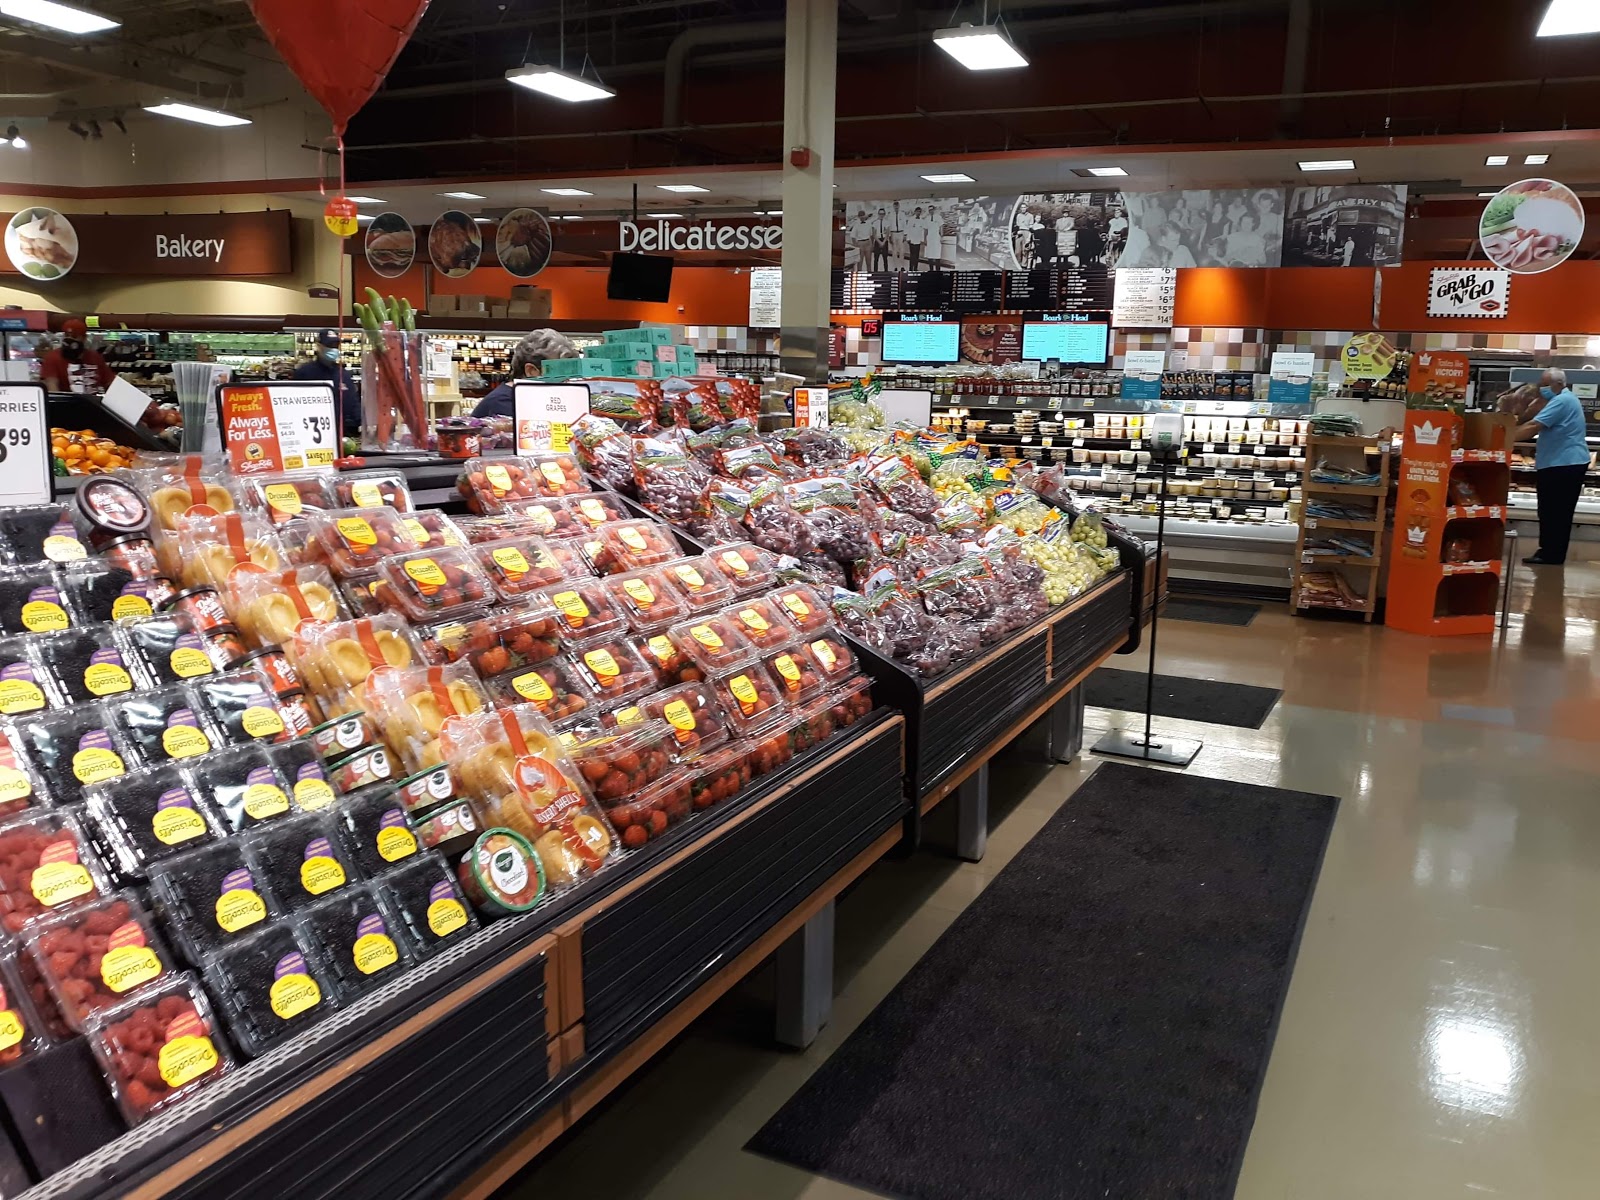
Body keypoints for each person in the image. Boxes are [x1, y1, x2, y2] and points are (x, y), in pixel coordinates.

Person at [1511, 368, 1592, 565]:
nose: (1542, 388)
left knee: (1554, 512)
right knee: (1553, 511)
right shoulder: (1561, 399)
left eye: (1545, 385)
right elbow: (1530, 418)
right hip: (1561, 463)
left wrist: (1502, 440)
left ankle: (1551, 554)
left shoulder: (1562, 401)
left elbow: (1533, 427)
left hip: (1564, 464)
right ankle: (1549, 551)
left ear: (1558, 384)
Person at [469, 330, 581, 420]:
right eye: (559, 372)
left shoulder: (535, 398)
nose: (567, 380)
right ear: (531, 371)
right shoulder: (503, 403)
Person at [293, 328, 360, 435]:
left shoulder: (344, 374)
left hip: (341, 433)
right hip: (311, 433)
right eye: (329, 345)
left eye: (335, 346)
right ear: (319, 346)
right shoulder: (304, 373)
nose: (333, 349)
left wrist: (362, 424)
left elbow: (353, 403)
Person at [39, 317, 112, 394]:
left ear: (84, 338)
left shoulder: (95, 357)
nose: (69, 339)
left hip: (94, 403)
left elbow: (109, 382)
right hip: (67, 404)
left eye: (74, 336)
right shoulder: (53, 357)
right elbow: (52, 386)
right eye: (67, 335)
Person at [905, 206, 929, 272]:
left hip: (918, 240)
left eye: (919, 212)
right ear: (915, 212)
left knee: (916, 255)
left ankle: (915, 268)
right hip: (911, 240)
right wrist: (908, 238)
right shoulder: (911, 219)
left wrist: (922, 240)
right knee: (912, 255)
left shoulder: (922, 220)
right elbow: (908, 229)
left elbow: (924, 230)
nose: (918, 213)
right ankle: (910, 268)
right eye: (917, 211)